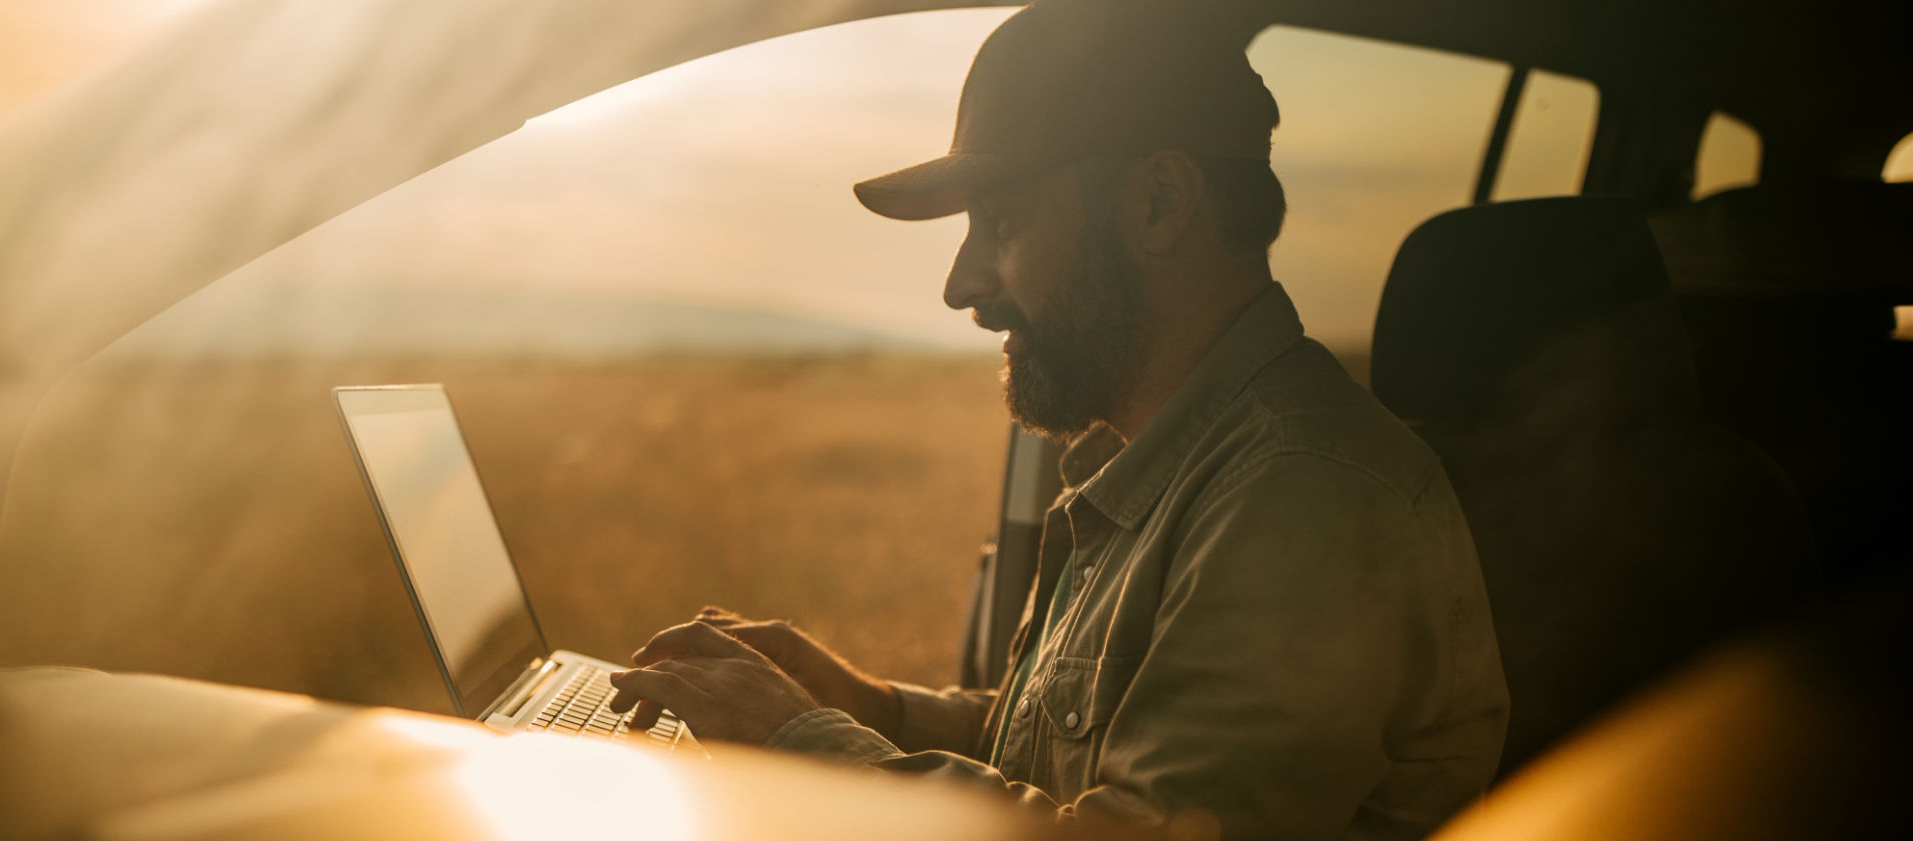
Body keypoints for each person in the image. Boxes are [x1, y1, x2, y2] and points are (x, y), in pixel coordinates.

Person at [607, 2, 1508, 838]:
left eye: (998, 222)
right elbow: (1067, 767)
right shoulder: (1161, 468)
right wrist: (872, 706)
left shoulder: (1307, 500)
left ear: (1158, 203)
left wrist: (800, 733)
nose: (960, 284)